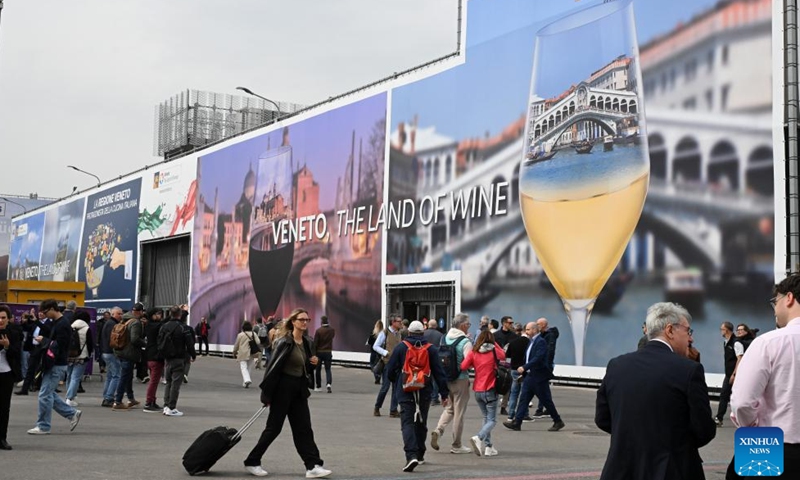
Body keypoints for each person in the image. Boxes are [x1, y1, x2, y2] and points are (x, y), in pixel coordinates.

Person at [595, 302, 716, 480]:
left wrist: (634, 436)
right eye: (688, 331)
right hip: (672, 470)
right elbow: (704, 430)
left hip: (622, 470)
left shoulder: (617, 365)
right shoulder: (689, 370)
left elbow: (603, 418)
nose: (690, 339)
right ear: (670, 330)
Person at [244, 308, 331, 478]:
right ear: (293, 321)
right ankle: (252, 461)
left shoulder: (306, 342)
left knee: (304, 428)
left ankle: (312, 465)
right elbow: (272, 368)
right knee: (274, 428)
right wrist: (267, 394)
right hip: (282, 388)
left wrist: (312, 363)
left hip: (298, 388)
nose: (305, 322)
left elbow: (304, 366)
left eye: (307, 319)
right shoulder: (284, 342)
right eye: (301, 319)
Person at [728, 275, 800, 478]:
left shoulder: (769, 343)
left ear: (789, 298)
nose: (774, 309)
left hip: (769, 442)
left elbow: (742, 402)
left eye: (775, 302)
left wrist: (753, 429)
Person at [386, 320, 450, 472]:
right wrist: (444, 394)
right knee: (421, 421)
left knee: (407, 422)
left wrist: (397, 381)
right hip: (424, 390)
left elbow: (390, 370)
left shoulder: (401, 347)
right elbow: (439, 373)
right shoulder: (431, 349)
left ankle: (411, 455)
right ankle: (420, 454)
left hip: (405, 389)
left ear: (409, 333)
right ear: (423, 333)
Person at [27, 299, 82, 435]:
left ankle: (44, 426)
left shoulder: (62, 324)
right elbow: (51, 333)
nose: (44, 315)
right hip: (54, 363)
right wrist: (37, 322)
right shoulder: (58, 322)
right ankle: (72, 413)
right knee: (48, 393)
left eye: (45, 312)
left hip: (56, 364)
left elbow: (61, 345)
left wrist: (44, 340)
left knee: (44, 395)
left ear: (52, 308)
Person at [503, 322, 564, 432]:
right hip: (530, 376)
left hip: (538, 376)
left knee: (546, 400)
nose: (526, 332)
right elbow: (528, 356)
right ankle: (517, 422)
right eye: (526, 329)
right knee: (524, 399)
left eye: (528, 329)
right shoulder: (531, 342)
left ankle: (557, 421)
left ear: (535, 330)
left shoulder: (540, 342)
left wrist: (525, 367)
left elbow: (538, 358)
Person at [430, 312, 473, 454]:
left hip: (446, 378)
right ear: (462, 325)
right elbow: (469, 362)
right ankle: (457, 445)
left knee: (449, 408)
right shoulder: (465, 341)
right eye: (468, 324)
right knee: (459, 412)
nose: (469, 327)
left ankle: (438, 430)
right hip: (460, 379)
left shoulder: (445, 338)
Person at [461, 329, 505, 457]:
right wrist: (494, 343)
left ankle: (488, 446)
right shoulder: (494, 351)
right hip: (490, 389)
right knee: (492, 420)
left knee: (486, 418)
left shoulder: (473, 353)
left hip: (478, 390)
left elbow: (463, 366)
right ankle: (479, 437)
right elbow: (503, 354)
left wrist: (473, 365)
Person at [160, 305, 196, 416]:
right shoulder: (183, 328)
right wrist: (193, 355)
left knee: (168, 382)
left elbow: (160, 340)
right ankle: (172, 407)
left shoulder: (164, 326)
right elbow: (189, 343)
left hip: (167, 357)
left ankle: (166, 406)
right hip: (179, 357)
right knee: (176, 383)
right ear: (180, 315)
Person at [0, 305, 23, 450]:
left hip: (5, 374)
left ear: (9, 319)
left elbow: (17, 355)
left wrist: (7, 346)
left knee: (4, 408)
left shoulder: (13, 333)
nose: (0, 320)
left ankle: (2, 438)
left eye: (3, 318)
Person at [373, 314, 403, 417]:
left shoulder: (399, 334)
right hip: (387, 363)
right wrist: (385, 353)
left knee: (396, 388)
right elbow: (375, 346)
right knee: (385, 387)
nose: (401, 323)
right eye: (399, 321)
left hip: (397, 364)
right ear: (393, 323)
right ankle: (377, 407)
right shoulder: (384, 333)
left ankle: (393, 410)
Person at [65, 310, 93, 407]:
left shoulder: (70, 326)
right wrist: (89, 354)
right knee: (76, 378)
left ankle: (69, 396)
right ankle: (70, 397)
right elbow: (89, 344)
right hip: (82, 356)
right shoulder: (86, 328)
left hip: (69, 355)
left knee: (69, 376)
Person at [142, 307, 165, 412]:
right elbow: (166, 322)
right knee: (154, 381)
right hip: (155, 357)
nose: (160, 316)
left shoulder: (149, 325)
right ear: (152, 315)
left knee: (154, 380)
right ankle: (149, 402)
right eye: (158, 314)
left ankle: (152, 400)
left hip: (150, 356)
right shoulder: (154, 326)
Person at [233, 321, 260, 388]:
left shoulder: (240, 335)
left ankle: (247, 380)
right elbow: (258, 342)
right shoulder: (254, 334)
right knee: (249, 367)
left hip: (243, 352)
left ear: (243, 328)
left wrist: (234, 352)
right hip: (252, 352)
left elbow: (236, 345)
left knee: (243, 367)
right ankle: (245, 383)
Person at [423, 319, 444, 405]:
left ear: (428, 325)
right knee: (435, 378)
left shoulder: (423, 333)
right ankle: (434, 397)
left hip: (424, 358)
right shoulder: (441, 335)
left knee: (426, 377)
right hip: (436, 358)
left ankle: (426, 395)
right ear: (436, 326)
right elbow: (442, 347)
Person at [313, 316, 335, 393]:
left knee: (318, 370)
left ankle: (318, 386)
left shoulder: (318, 331)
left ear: (321, 322)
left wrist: (314, 353)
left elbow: (315, 343)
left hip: (319, 352)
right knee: (328, 369)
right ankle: (328, 384)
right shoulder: (332, 330)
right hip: (328, 351)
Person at [367, 319, 383, 384]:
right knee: (379, 364)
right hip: (380, 351)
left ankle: (376, 376)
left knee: (372, 364)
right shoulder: (383, 334)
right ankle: (378, 375)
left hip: (373, 351)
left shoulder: (373, 333)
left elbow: (369, 342)